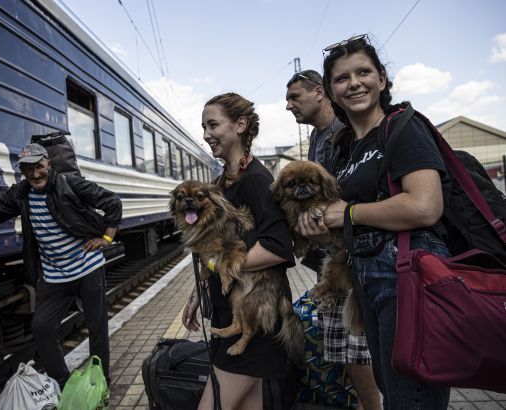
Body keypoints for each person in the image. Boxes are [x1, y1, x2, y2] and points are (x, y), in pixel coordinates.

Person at [296, 35, 451, 409]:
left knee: (410, 396)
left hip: (408, 275)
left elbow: (425, 206)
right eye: (342, 78)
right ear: (331, 92)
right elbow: (348, 217)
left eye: (363, 72)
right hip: (369, 278)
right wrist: (318, 228)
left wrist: (346, 212)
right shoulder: (346, 147)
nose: (354, 83)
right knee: (391, 386)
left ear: (382, 79)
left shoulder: (402, 127)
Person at [0, 143, 122, 388]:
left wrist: (107, 238)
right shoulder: (20, 193)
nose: (35, 174)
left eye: (39, 166)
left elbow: (112, 202)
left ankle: (100, 382)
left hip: (87, 267)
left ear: (49, 164)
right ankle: (61, 383)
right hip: (53, 275)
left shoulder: (70, 184)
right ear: (23, 171)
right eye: (28, 169)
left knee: (96, 327)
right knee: (42, 327)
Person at [182, 92, 296, 410]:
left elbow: (279, 247)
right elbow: (218, 247)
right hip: (229, 311)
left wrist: (220, 266)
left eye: (213, 125)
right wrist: (198, 291)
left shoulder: (257, 180)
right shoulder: (224, 183)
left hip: (255, 316)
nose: (206, 134)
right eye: (203, 126)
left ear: (240, 125)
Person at [285, 70, 381, 410]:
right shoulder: (318, 136)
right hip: (332, 257)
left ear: (319, 93)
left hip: (353, 254)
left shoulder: (343, 133)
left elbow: (346, 197)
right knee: (343, 345)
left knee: (357, 348)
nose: (288, 106)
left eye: (295, 97)